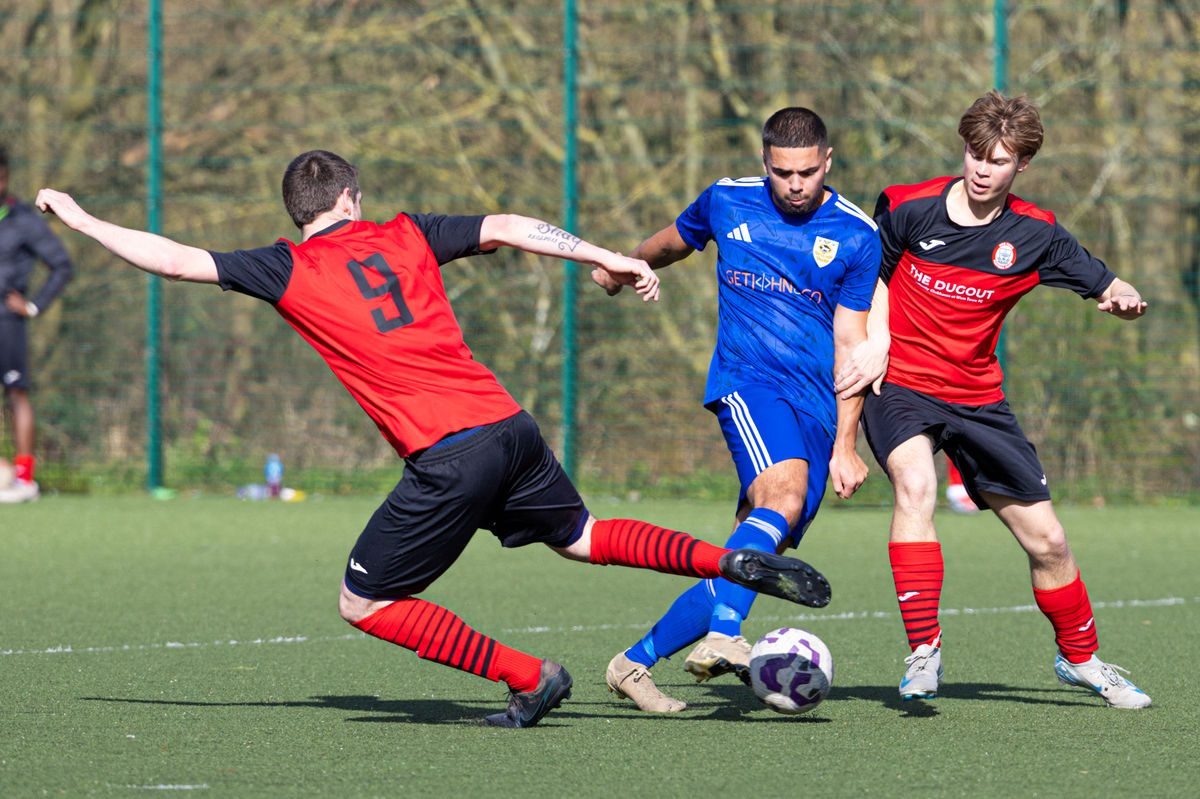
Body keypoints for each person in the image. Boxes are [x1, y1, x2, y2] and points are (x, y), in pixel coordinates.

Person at [35, 149, 834, 728]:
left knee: (365, 598)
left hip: (447, 457)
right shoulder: (408, 232)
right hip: (509, 425)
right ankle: (720, 559)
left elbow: (172, 260)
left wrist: (78, 217)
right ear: (352, 196)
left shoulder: (285, 268)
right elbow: (513, 223)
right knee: (583, 535)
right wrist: (605, 255)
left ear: (300, 213)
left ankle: (530, 676)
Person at [843, 90, 1151, 709]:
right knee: (916, 485)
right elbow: (868, 277)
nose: (982, 169)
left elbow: (1100, 278)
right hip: (900, 382)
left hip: (979, 397)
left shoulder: (1034, 233)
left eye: (999, 160)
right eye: (974, 154)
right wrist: (876, 342)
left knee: (1050, 542)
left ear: (1022, 167)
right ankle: (923, 649)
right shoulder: (907, 207)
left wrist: (1122, 294)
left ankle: (1082, 660)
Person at [592, 108, 880, 712]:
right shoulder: (727, 201)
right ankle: (725, 634)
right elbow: (672, 242)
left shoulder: (857, 235)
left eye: (807, 172)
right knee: (783, 499)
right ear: (764, 163)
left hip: (815, 406)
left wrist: (846, 443)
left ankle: (633, 664)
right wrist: (624, 267)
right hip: (746, 385)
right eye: (783, 172)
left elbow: (853, 346)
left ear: (827, 162)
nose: (795, 184)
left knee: (748, 556)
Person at [0, 145, 74, 503]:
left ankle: (24, 480)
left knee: (16, 394)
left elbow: (62, 266)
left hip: (6, 321)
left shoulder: (25, 221)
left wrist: (32, 306)